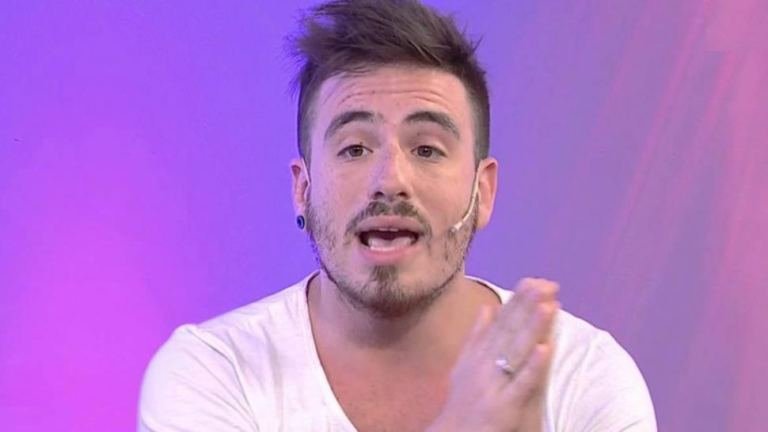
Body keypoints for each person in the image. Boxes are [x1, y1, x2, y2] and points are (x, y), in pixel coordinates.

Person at [138, 0, 656, 430]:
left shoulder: (582, 377)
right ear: (302, 189)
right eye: (355, 148)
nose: (390, 179)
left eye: (427, 149)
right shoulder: (214, 372)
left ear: (483, 191)